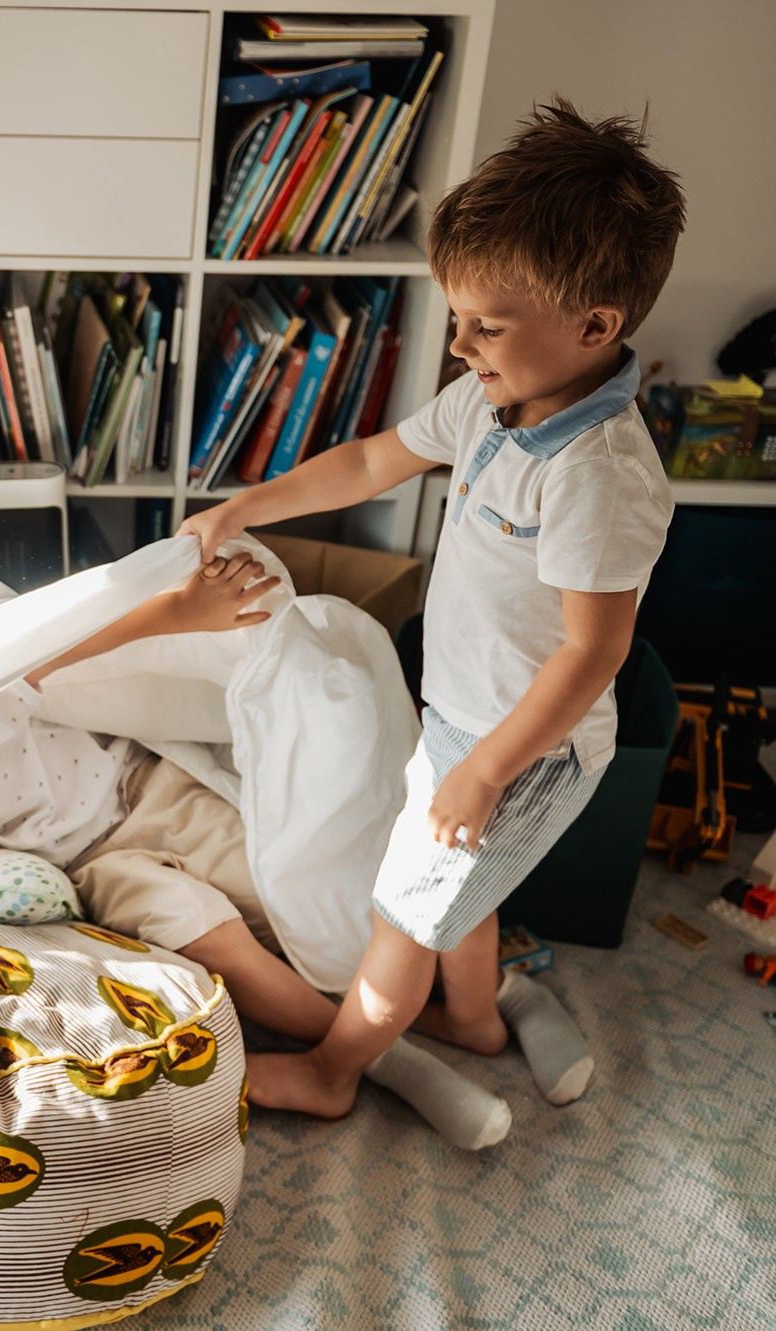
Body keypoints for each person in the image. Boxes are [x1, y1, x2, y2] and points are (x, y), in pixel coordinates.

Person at [180, 97, 686, 1121]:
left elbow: (591, 654)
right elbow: (373, 459)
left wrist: (483, 769)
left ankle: (332, 1071)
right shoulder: (495, 401)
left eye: (483, 325)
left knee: (402, 918)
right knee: (461, 895)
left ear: (593, 326)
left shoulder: (596, 473)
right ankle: (476, 1022)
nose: (458, 344)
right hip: (459, 713)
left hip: (523, 747)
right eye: (455, 317)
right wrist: (250, 502)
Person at [0, 553, 512, 1149]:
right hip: (100, 866)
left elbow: (48, 651)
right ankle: (374, 1059)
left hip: (149, 791)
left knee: (323, 892)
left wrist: (180, 609)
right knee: (215, 942)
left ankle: (458, 1003)